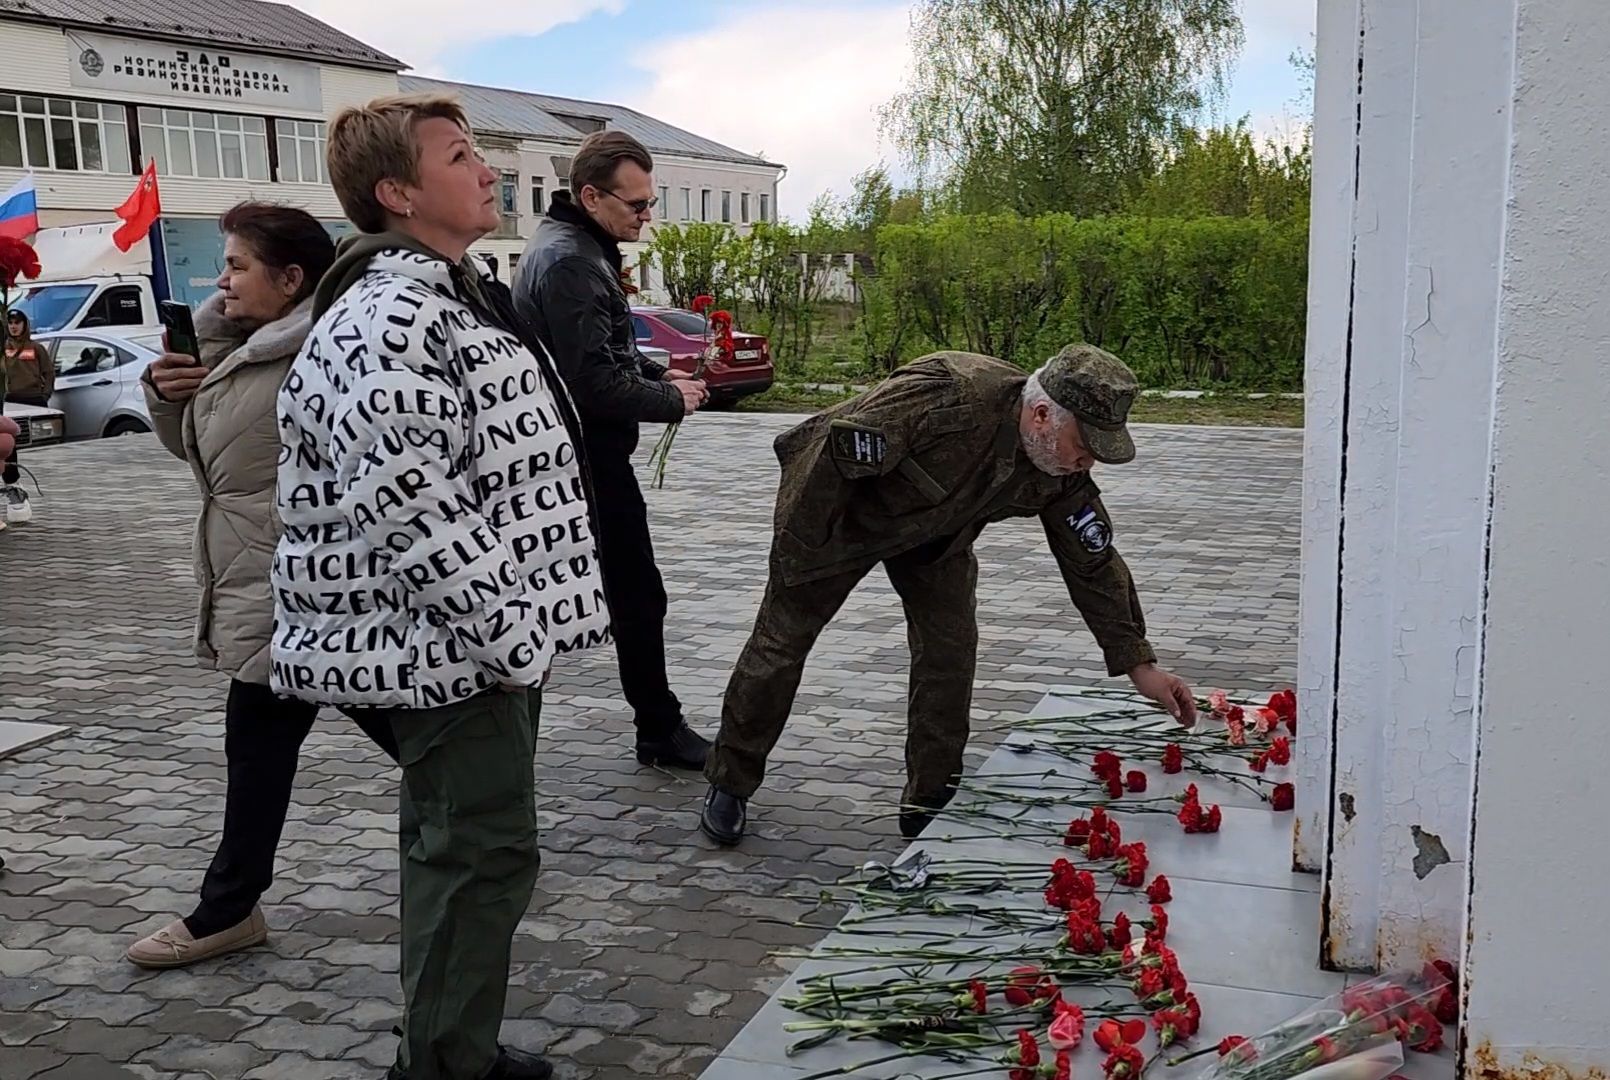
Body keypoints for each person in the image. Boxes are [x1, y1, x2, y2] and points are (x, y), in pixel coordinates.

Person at [272, 93, 611, 1080]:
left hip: (454, 650)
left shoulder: (436, 296)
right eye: (460, 156)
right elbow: (411, 506)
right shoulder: (390, 316)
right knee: (479, 854)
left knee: (455, 849)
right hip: (450, 655)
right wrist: (512, 643)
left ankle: (447, 1046)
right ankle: (445, 1065)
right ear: (398, 192)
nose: (488, 171)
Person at [699, 345, 1200, 846]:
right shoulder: (949, 395)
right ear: (1042, 414)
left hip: (937, 541)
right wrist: (802, 551)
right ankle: (730, 781)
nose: (1087, 460)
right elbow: (830, 457)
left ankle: (929, 799)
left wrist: (1140, 663)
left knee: (950, 653)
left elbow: (1092, 560)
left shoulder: (1058, 466)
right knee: (781, 644)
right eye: (1084, 444)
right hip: (840, 520)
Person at [122, 203, 402, 971]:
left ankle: (228, 907)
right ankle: (230, 906)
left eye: (239, 264)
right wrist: (174, 390)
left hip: (311, 590)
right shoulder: (242, 350)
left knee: (393, 730)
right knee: (267, 746)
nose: (222, 278)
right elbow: (206, 457)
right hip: (262, 585)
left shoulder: (320, 353)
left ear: (291, 279)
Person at [513, 131, 711, 771]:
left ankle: (656, 722)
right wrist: (671, 401)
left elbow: (603, 353)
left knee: (621, 593)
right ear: (591, 195)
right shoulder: (572, 260)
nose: (646, 217)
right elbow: (591, 382)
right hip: (584, 461)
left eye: (650, 203)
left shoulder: (568, 245)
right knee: (635, 594)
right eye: (636, 205)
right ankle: (658, 727)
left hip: (568, 455)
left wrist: (659, 377)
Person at [2, 308, 53, 523]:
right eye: (10, 322)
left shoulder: (36, 348)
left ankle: (14, 487)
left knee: (11, 441)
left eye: (17, 322)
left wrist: (45, 394)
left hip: (32, 399)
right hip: (9, 398)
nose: (14, 326)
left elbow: (48, 372)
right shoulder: (4, 348)